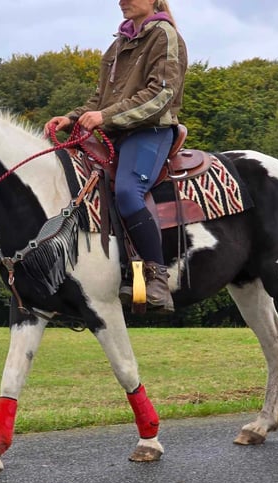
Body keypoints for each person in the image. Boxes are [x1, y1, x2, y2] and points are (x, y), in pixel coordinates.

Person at [44, 0, 187, 312]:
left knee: (126, 191)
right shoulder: (117, 45)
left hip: (150, 131)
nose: (121, 1)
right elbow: (99, 98)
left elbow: (161, 94)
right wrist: (71, 117)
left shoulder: (164, 36)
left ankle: (157, 277)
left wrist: (104, 117)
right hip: (114, 134)